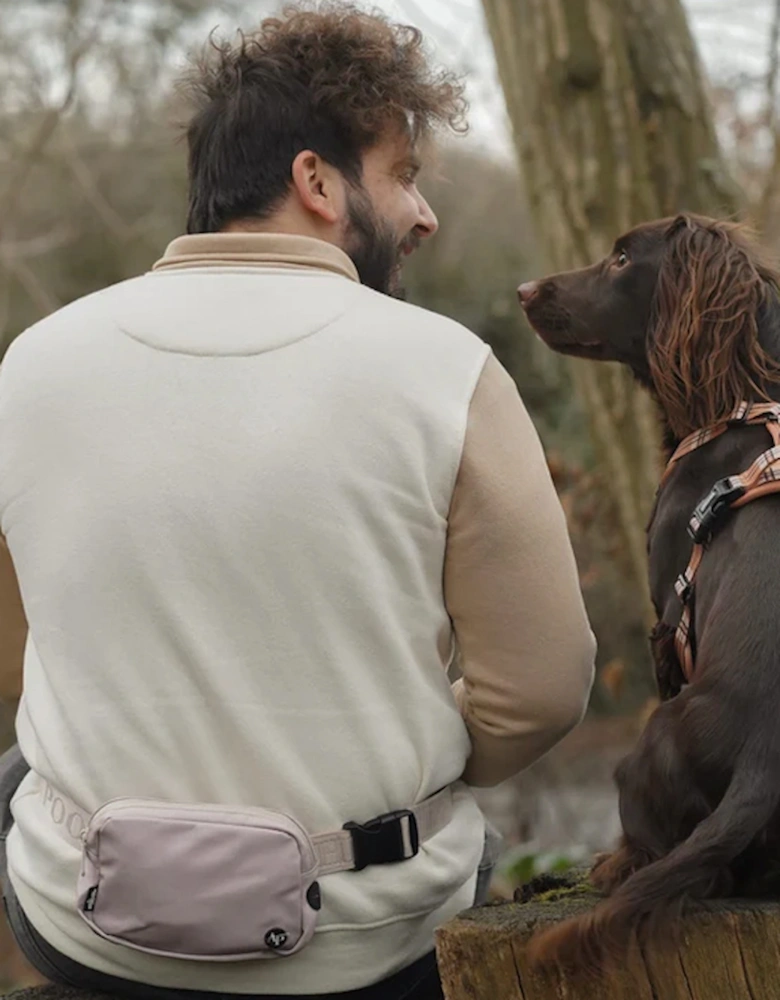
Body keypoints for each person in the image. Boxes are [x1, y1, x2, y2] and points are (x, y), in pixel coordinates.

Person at [0, 4, 596, 998]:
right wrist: (402, 745)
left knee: (23, 779)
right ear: (315, 180)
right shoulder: (448, 370)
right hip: (368, 940)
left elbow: (17, 655)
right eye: (403, 173)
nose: (424, 212)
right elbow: (540, 690)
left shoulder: (28, 365)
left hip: (93, 928)